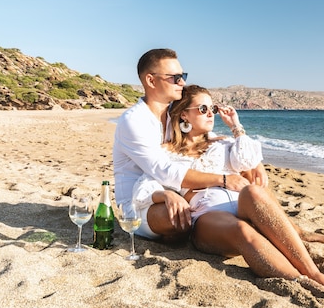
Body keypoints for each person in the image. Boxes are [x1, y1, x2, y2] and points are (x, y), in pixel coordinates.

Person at [132, 85, 324, 289]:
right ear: (184, 115)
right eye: (203, 109)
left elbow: (249, 160)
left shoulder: (223, 143)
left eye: (212, 108)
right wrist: (166, 195)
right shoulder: (167, 152)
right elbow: (143, 190)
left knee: (252, 191)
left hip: (244, 206)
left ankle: (313, 271)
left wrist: (235, 126)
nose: (210, 114)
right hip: (208, 215)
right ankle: (302, 282)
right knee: (242, 229)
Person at [113, 48, 268, 242]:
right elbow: (164, 170)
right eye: (175, 77)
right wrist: (224, 179)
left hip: (172, 192)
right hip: (142, 203)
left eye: (183, 76)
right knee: (179, 217)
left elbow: (206, 137)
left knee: (246, 178)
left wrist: (255, 164)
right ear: (151, 81)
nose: (182, 82)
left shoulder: (173, 113)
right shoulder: (134, 120)